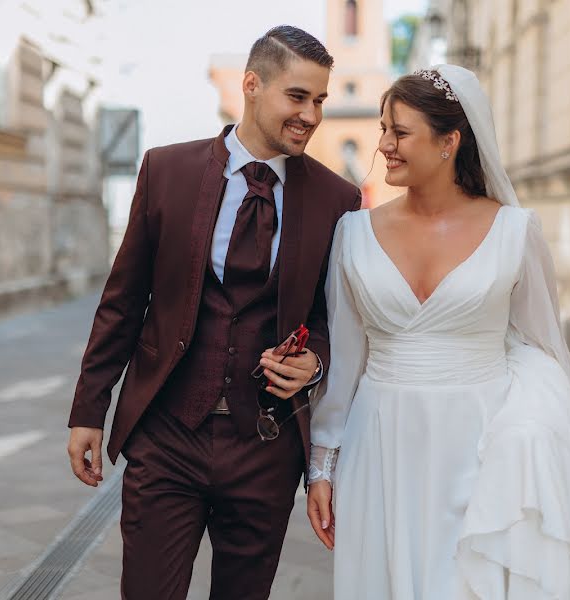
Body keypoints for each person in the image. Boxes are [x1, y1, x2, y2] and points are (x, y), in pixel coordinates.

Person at [66, 26, 361, 600]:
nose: (311, 115)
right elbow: (123, 302)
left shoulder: (335, 200)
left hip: (266, 448)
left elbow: (336, 317)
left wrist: (316, 361)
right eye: (297, 97)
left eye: (320, 101)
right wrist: (88, 410)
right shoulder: (166, 172)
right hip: (167, 436)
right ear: (252, 85)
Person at [306, 65, 570, 599]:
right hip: (380, 444)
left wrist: (532, 429)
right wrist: (322, 464)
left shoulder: (516, 231)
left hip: (482, 443)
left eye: (399, 131)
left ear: (450, 141)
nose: (383, 145)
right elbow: (347, 357)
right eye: (383, 129)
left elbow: (544, 349)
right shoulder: (353, 234)